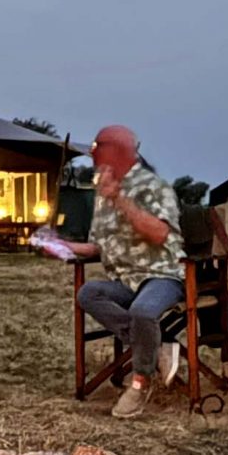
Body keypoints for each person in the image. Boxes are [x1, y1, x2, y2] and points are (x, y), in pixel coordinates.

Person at [54, 125, 186, 418]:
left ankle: (140, 382)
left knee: (142, 311)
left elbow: (160, 234)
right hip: (125, 280)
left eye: (98, 149)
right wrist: (61, 245)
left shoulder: (154, 187)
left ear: (121, 152)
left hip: (162, 275)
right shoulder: (102, 194)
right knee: (88, 293)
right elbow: (97, 247)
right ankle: (158, 343)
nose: (93, 156)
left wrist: (119, 200)